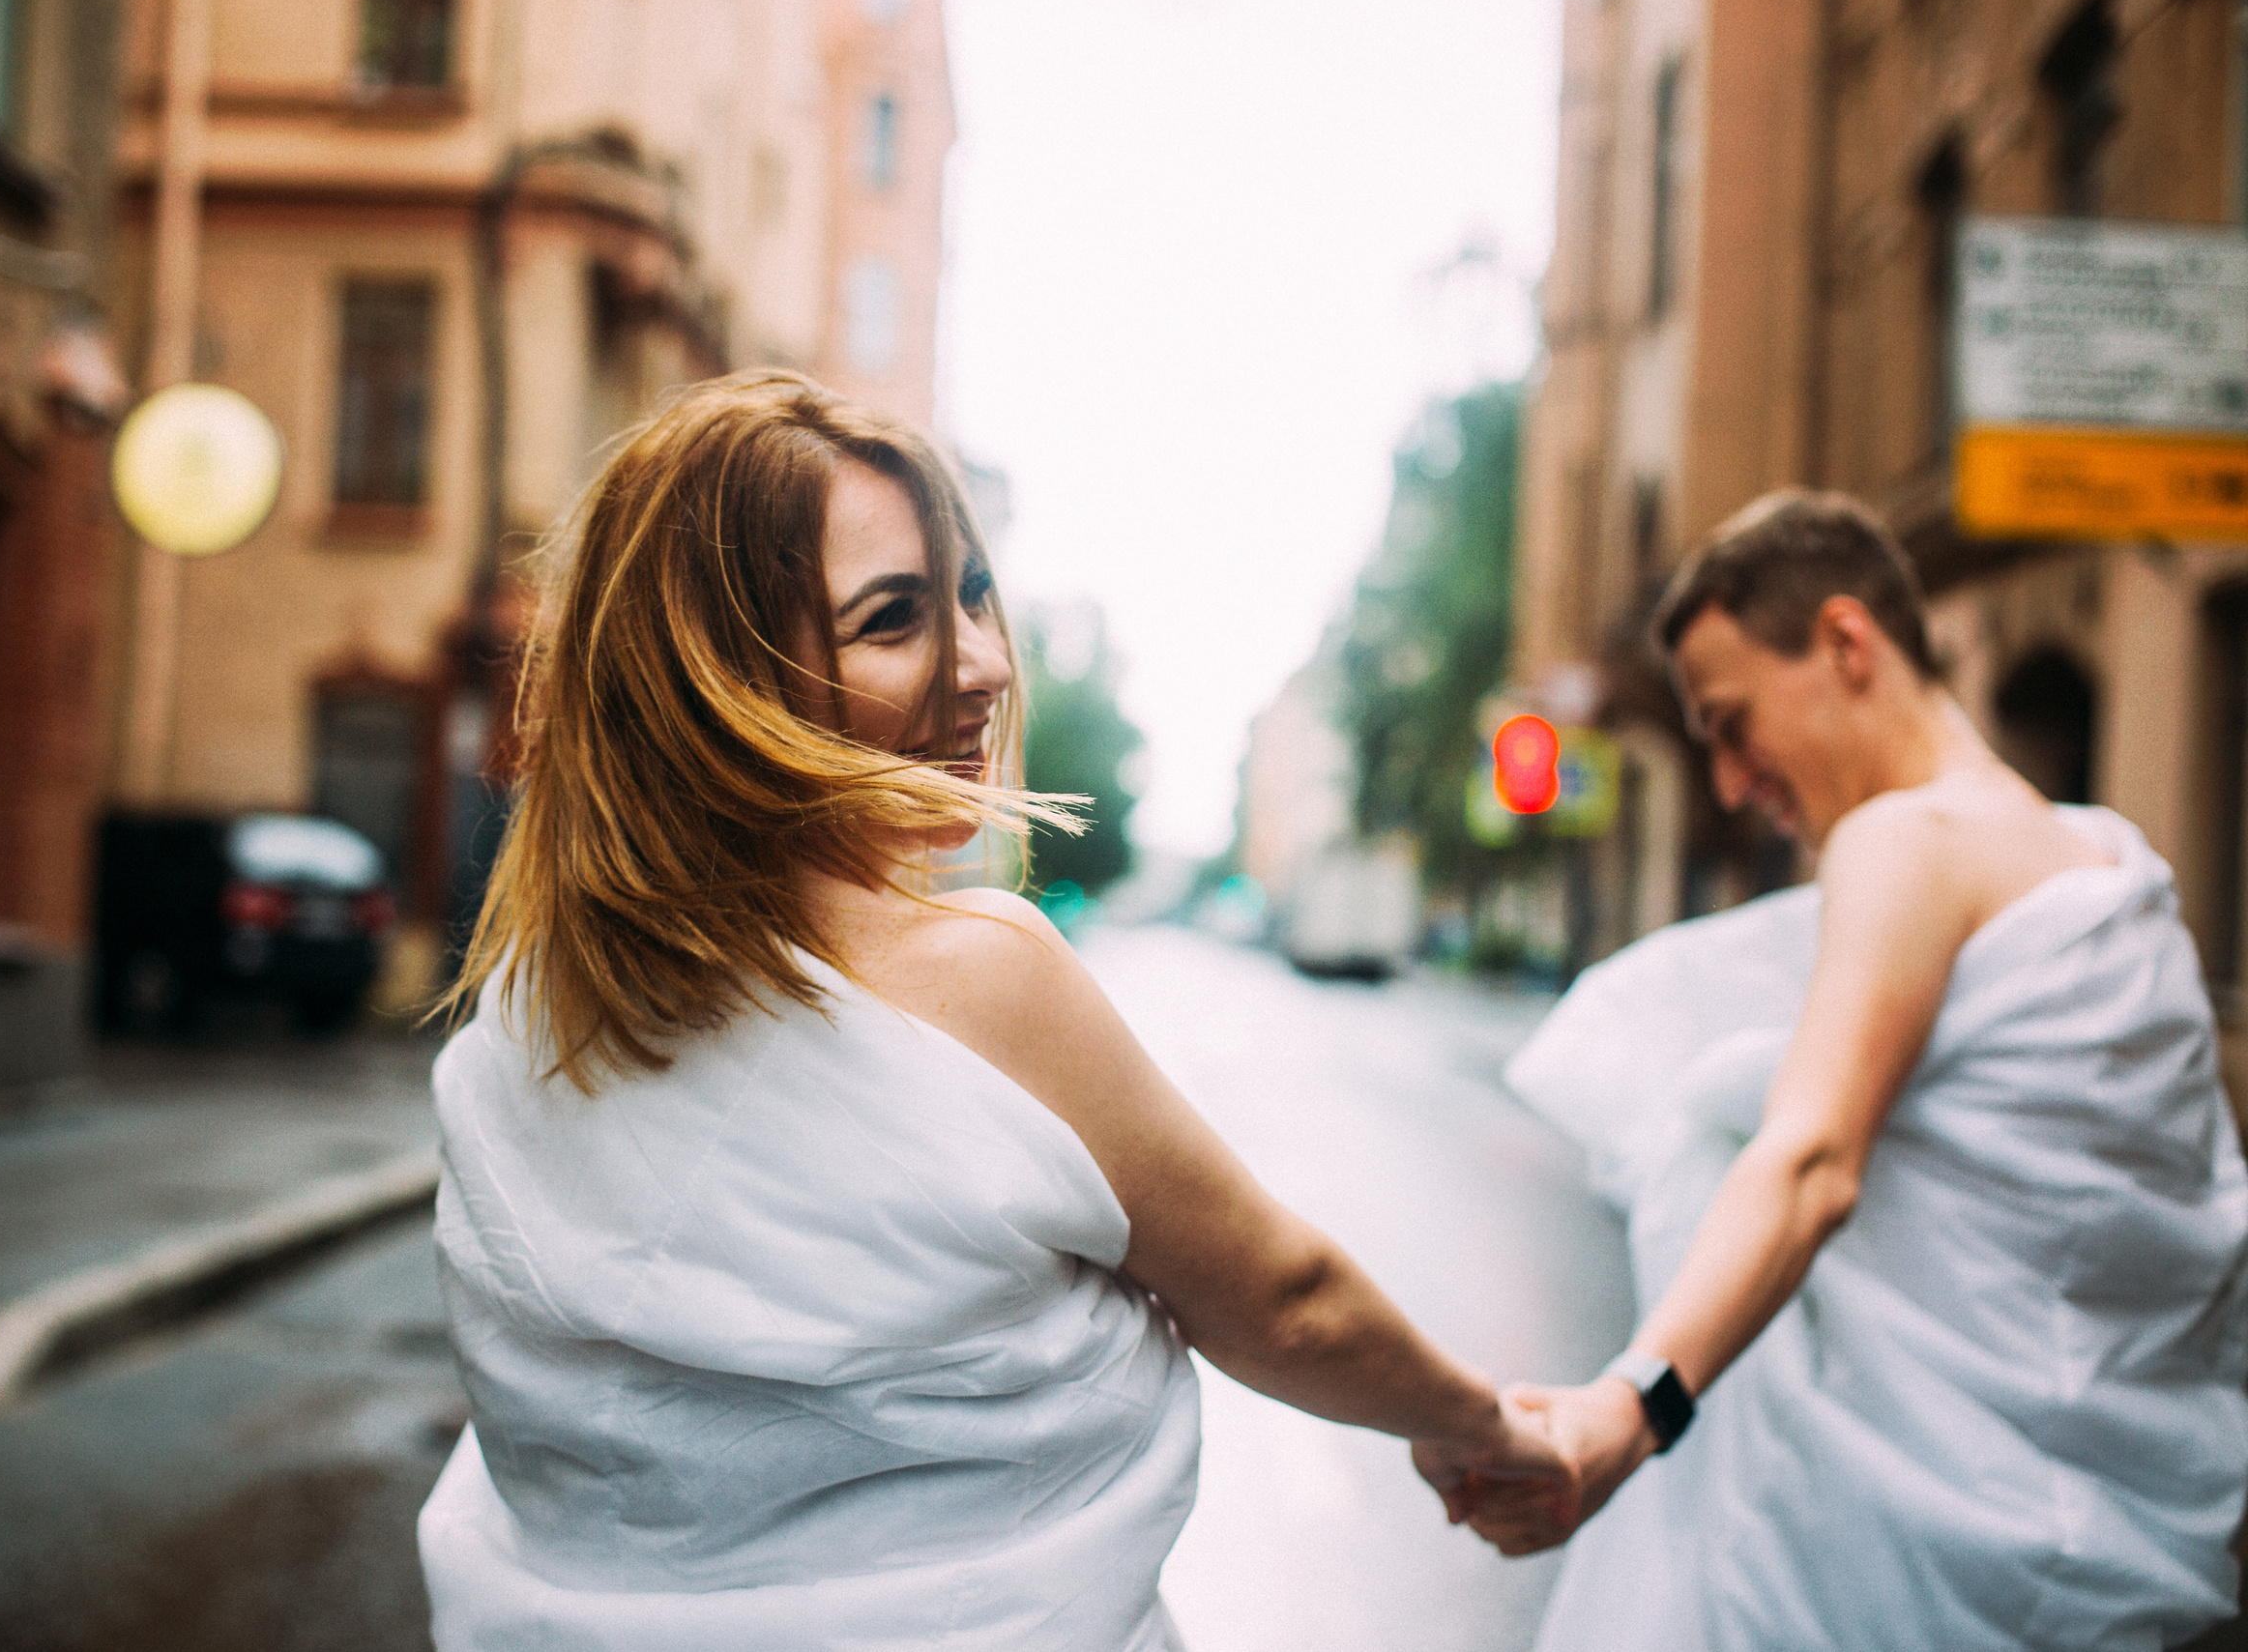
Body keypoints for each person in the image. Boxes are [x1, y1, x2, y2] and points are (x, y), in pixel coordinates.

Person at [414, 369, 1564, 1650]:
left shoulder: (524, 1016)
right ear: (724, 679)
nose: (988, 664)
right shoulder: (976, 972)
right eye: (894, 618)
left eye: (972, 596)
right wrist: (1487, 1428)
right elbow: (1283, 1296)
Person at [1474, 489, 2248, 1650]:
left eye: (1730, 723)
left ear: (1846, 642)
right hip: (2116, 1539)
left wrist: (1632, 1405)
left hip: (1941, 1560)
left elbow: (1812, 1160)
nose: (1732, 781)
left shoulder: (1906, 841)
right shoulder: (2098, 854)